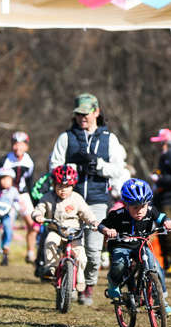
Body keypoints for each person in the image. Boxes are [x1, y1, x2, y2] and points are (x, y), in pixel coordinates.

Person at [49, 93, 126, 306]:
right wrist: (75, 168)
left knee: (93, 251)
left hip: (97, 200)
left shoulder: (109, 138)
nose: (82, 117)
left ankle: (89, 286)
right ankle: (67, 284)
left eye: (86, 113)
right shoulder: (66, 137)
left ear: (96, 112)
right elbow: (53, 165)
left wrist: (98, 165)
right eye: (78, 114)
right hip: (68, 200)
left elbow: (119, 169)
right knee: (67, 246)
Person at [98, 178, 171, 315]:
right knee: (120, 264)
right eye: (135, 207)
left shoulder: (150, 211)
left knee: (155, 267)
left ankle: (160, 300)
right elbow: (102, 224)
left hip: (140, 245)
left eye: (143, 206)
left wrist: (167, 221)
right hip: (120, 245)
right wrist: (107, 230)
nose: (140, 211)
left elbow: (161, 217)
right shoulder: (117, 215)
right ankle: (113, 284)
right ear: (126, 205)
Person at [31, 165, 98, 294]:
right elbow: (39, 208)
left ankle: (79, 278)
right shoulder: (48, 197)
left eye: (67, 187)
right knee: (50, 242)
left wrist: (93, 222)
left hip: (74, 234)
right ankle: (51, 268)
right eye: (60, 186)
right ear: (54, 185)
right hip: (56, 230)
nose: (63, 190)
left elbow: (86, 212)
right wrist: (38, 215)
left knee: (81, 257)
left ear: (73, 186)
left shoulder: (77, 198)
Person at [0, 131, 39, 263]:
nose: (18, 147)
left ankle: (31, 252)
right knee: (7, 224)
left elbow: (29, 182)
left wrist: (33, 200)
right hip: (8, 195)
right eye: (15, 144)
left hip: (23, 194)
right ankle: (4, 252)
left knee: (33, 223)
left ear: (26, 146)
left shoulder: (29, 162)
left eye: (21, 144)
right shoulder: (4, 161)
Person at [148, 128, 171, 274]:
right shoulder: (163, 157)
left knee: (170, 232)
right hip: (162, 201)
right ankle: (167, 263)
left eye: (159, 142)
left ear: (165, 143)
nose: (157, 145)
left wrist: (161, 178)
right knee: (161, 232)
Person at [0, 167, 20, 266]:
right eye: (2, 179)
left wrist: (15, 206)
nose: (5, 181)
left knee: (8, 227)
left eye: (8, 179)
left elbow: (16, 201)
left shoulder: (13, 191)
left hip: (7, 213)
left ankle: (6, 247)